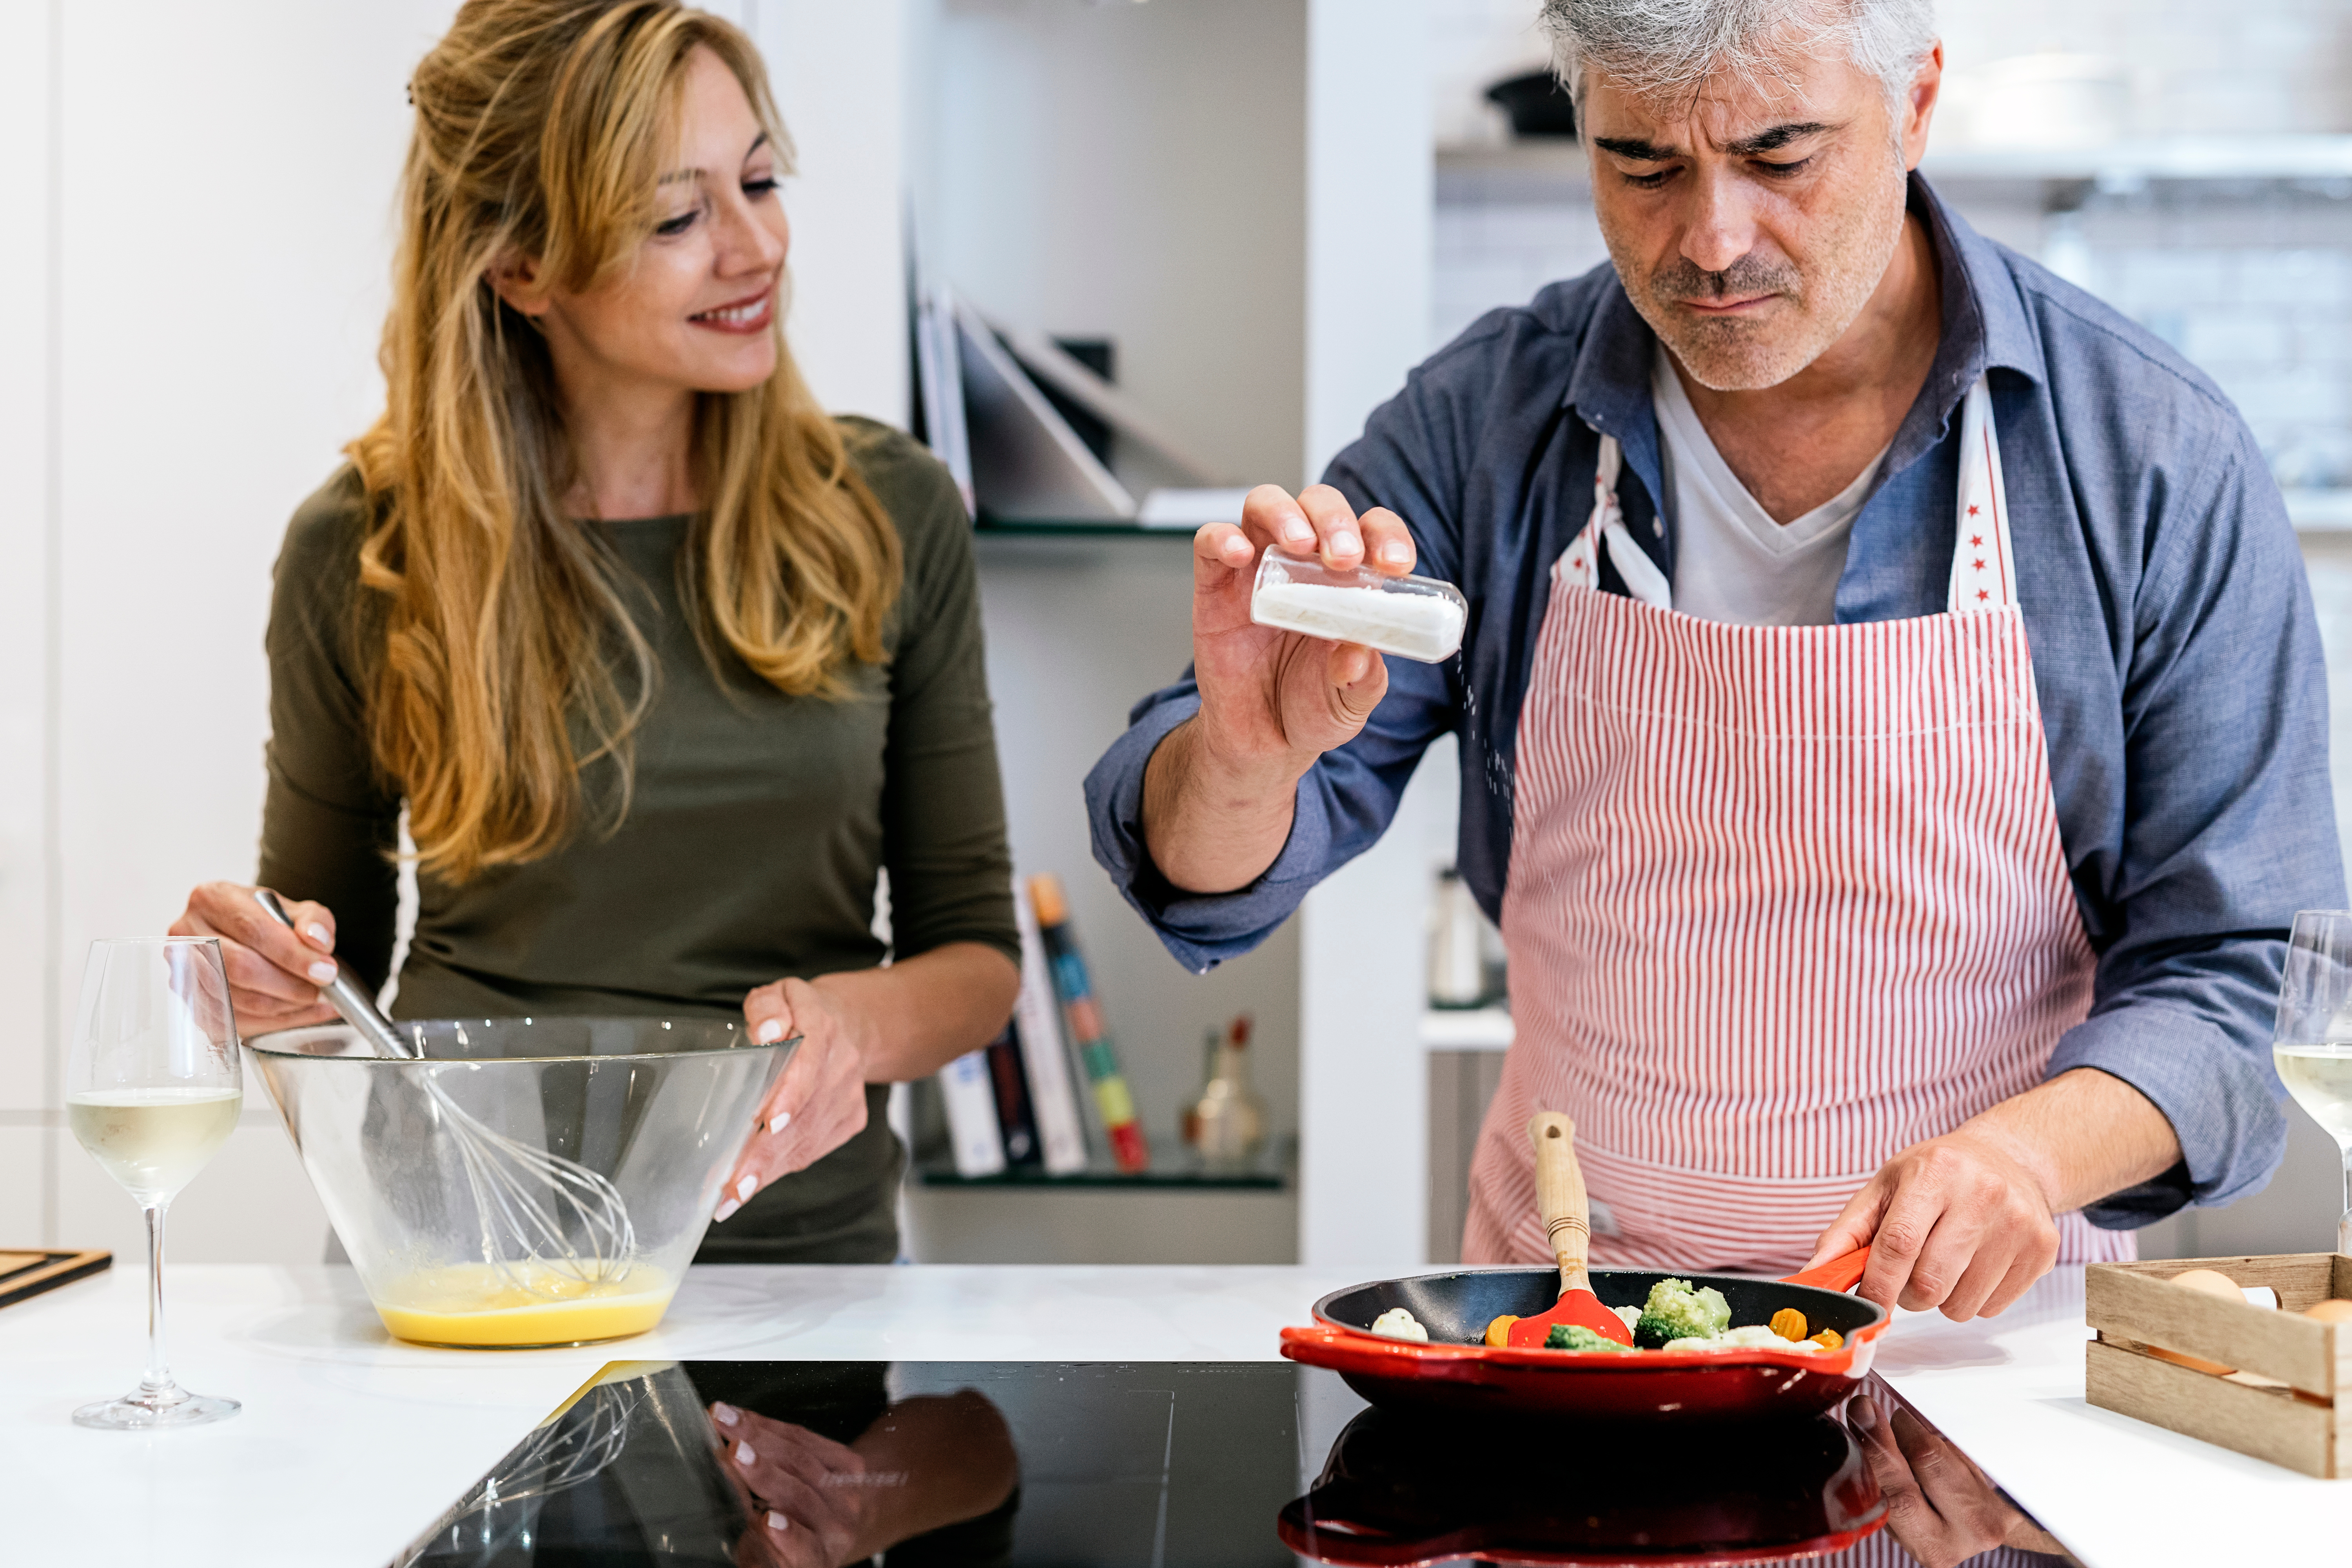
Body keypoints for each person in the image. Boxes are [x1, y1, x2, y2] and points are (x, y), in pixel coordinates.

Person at [1087, 0, 2344, 1318]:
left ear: (1915, 103)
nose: (1712, 241)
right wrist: (1243, 757)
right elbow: (1209, 873)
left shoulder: (2145, 451)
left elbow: (2242, 974)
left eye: (1782, 154)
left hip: (1979, 1358)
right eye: (1642, 165)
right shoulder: (1487, 423)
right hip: (1576, 1332)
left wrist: (2029, 1156)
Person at [171, 0, 1020, 1263]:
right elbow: (319, 974)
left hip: (792, 1273)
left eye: (760, 182)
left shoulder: (886, 514)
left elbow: (978, 960)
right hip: (452, 1255)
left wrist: (846, 1028)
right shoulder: (360, 546)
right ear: (521, 267)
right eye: (677, 217)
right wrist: (250, 980)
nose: (756, 248)